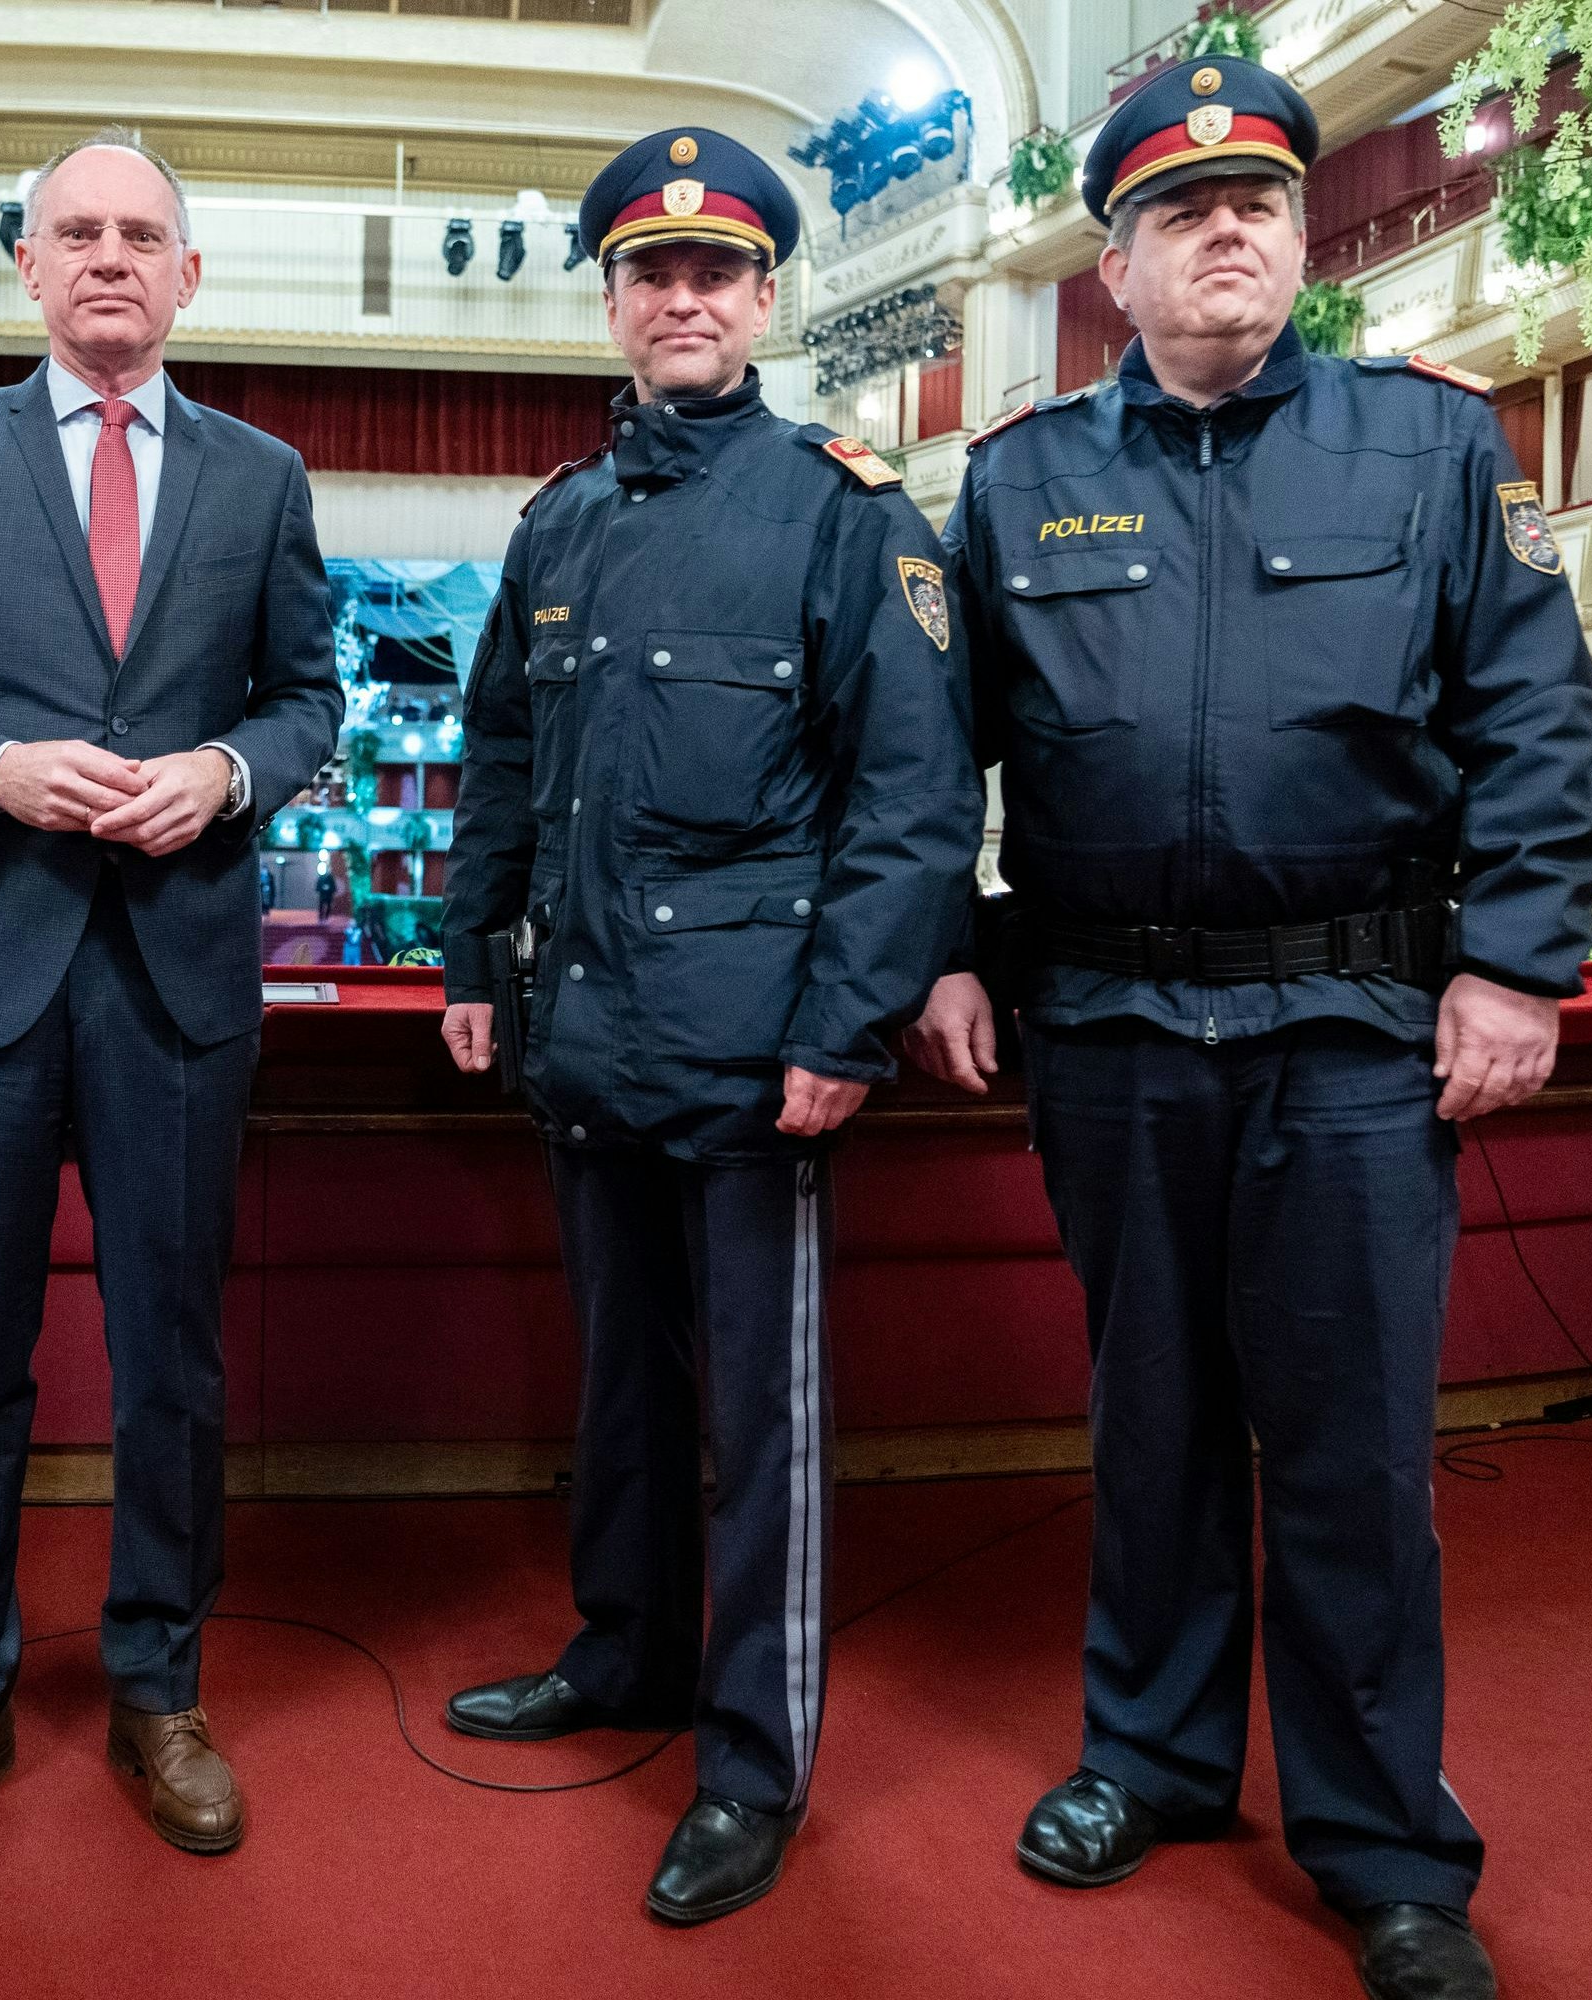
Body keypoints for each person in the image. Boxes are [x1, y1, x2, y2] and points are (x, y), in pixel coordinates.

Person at [900, 57, 1592, 2000]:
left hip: (1355, 1030)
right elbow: (924, 758)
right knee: (1147, 1422)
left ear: (1298, 237)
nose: (1230, 233)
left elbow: (1534, 719)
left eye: (1262, 206)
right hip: (1107, 1023)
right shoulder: (1022, 482)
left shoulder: (1430, 454)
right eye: (1182, 212)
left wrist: (1515, 960)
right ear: (1108, 266)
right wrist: (936, 950)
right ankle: (1148, 1756)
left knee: (1350, 1446)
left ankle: (1381, 1843)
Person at [433, 124, 980, 1925]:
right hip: (585, 1040)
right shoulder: (559, 523)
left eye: (717, 272)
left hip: (762, 1060)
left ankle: (752, 1760)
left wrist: (845, 1024)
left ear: (762, 299)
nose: (683, 296)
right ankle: (625, 1656)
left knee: (761, 1425)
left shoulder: (845, 508)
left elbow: (911, 797)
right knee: (622, 1393)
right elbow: (502, 765)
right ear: (611, 300)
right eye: (650, 273)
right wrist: (466, 966)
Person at [0, 127, 339, 1876]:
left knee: (171, 1359)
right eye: (75, 234)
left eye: (143, 236)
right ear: (26, 270)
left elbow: (311, 701)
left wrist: (228, 775)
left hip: (178, 976)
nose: (109, 259)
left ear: (190, 279)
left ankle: (158, 1687)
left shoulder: (261, 477)